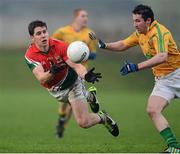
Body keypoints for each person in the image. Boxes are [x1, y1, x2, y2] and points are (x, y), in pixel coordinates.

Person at [89, 4, 180, 153]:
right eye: (134, 21)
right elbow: (123, 44)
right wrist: (104, 45)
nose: (135, 24)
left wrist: (136, 67)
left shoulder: (159, 33)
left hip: (178, 74)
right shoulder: (140, 34)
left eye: (138, 21)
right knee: (152, 110)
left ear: (148, 20)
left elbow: (162, 56)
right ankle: (174, 147)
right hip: (163, 81)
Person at [25, 20, 119, 138]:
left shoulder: (60, 46)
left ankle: (104, 118)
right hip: (56, 91)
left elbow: (76, 65)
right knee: (69, 103)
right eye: (38, 33)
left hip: (72, 84)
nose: (43, 35)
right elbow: (42, 79)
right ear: (32, 38)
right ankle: (90, 96)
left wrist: (86, 75)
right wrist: (52, 72)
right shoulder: (30, 55)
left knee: (83, 122)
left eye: (44, 31)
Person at [52, 8, 98, 138]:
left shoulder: (90, 33)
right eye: (83, 16)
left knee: (75, 103)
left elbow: (94, 54)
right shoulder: (62, 32)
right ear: (76, 17)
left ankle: (62, 125)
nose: (86, 18)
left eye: (87, 16)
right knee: (64, 101)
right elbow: (51, 46)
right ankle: (61, 120)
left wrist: (83, 53)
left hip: (80, 71)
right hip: (65, 70)